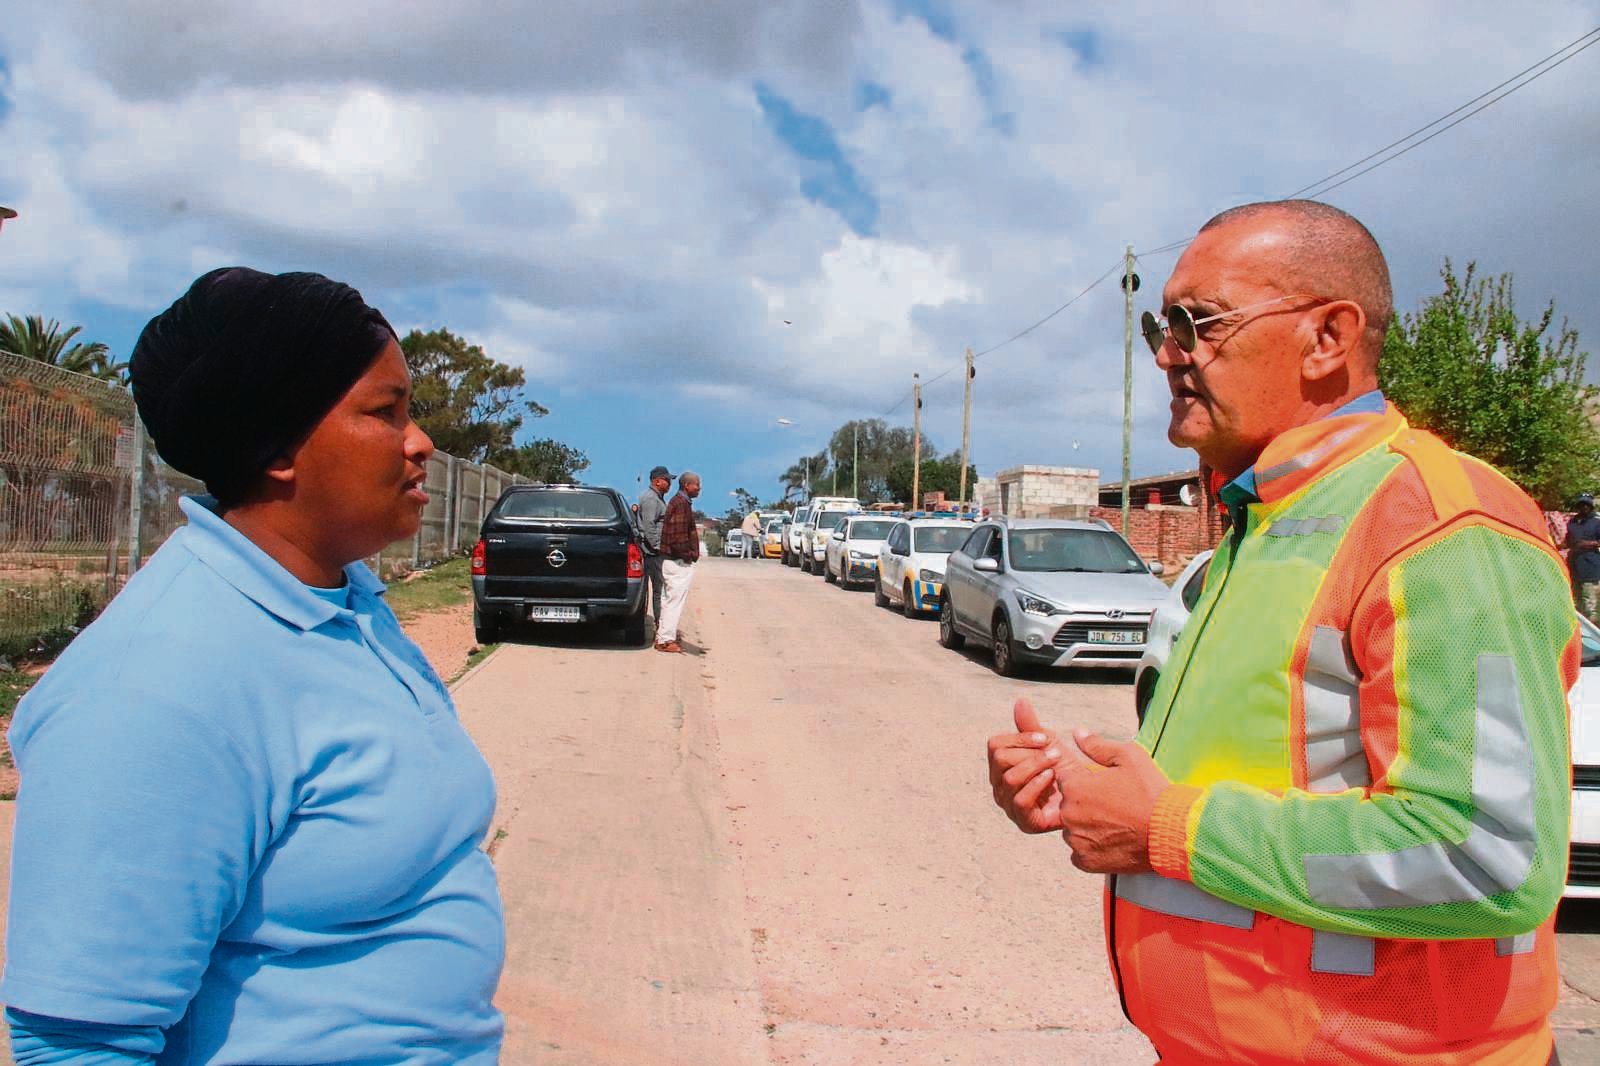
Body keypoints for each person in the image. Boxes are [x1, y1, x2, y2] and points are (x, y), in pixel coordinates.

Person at [987, 201, 1575, 1064]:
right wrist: (1088, 790)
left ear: (1328, 338)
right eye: (1163, 323)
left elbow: (1487, 854)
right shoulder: (1262, 525)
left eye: (1198, 324)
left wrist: (1164, 829)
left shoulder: (1443, 529)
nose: (1166, 354)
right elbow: (1263, 766)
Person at [3, 268, 505, 1062]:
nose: (422, 442)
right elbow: (78, 1041)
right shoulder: (155, 691)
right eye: (386, 412)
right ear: (278, 451)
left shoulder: (346, 602)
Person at [655, 471, 701, 653]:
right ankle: (666, 640)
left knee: (668, 601)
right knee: (674, 602)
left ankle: (663, 636)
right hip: (677, 561)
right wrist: (688, 554)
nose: (699, 488)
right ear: (687, 486)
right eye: (697, 485)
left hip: (671, 560)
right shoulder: (681, 504)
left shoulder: (678, 501)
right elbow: (678, 536)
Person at [636, 465, 671, 621]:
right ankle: (660, 624)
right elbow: (649, 526)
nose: (669, 484)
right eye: (667, 480)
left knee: (659, 590)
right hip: (652, 553)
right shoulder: (651, 499)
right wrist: (657, 546)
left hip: (653, 551)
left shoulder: (657, 498)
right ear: (657, 481)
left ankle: (660, 623)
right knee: (659, 591)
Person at [1567, 492, 1600, 624]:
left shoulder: (1597, 523)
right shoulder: (1572, 522)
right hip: (1575, 565)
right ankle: (1580, 628)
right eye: (1581, 504)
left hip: (1590, 566)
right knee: (1576, 600)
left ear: (1591, 506)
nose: (1584, 507)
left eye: (1586, 505)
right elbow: (1568, 540)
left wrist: (1588, 543)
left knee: (1589, 601)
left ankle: (1592, 628)